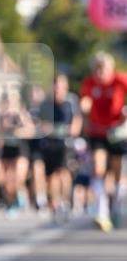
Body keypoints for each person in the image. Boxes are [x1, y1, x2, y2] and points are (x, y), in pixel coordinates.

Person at [80, 52, 127, 232]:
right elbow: (85, 101)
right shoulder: (89, 83)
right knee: (98, 168)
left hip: (116, 132)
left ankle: (116, 204)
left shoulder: (120, 80)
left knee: (116, 172)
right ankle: (102, 210)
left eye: (103, 68)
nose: (100, 72)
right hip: (97, 131)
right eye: (97, 69)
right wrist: (84, 108)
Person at [38, 73, 82, 220]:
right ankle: (55, 202)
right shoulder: (46, 103)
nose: (57, 88)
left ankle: (65, 201)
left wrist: (71, 132)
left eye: (60, 85)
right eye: (55, 85)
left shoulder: (71, 101)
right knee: (52, 176)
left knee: (64, 172)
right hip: (50, 144)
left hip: (65, 143)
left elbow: (76, 122)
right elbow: (42, 124)